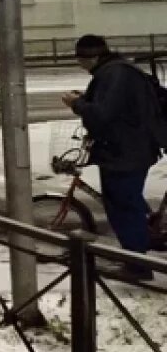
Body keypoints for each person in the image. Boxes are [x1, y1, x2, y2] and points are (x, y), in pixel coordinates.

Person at [63, 35, 162, 280]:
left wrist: (77, 105)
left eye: (81, 59)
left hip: (125, 153)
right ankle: (139, 248)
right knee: (126, 203)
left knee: (124, 207)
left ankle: (137, 265)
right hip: (128, 150)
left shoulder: (113, 75)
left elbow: (103, 114)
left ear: (93, 57)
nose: (80, 64)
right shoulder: (114, 72)